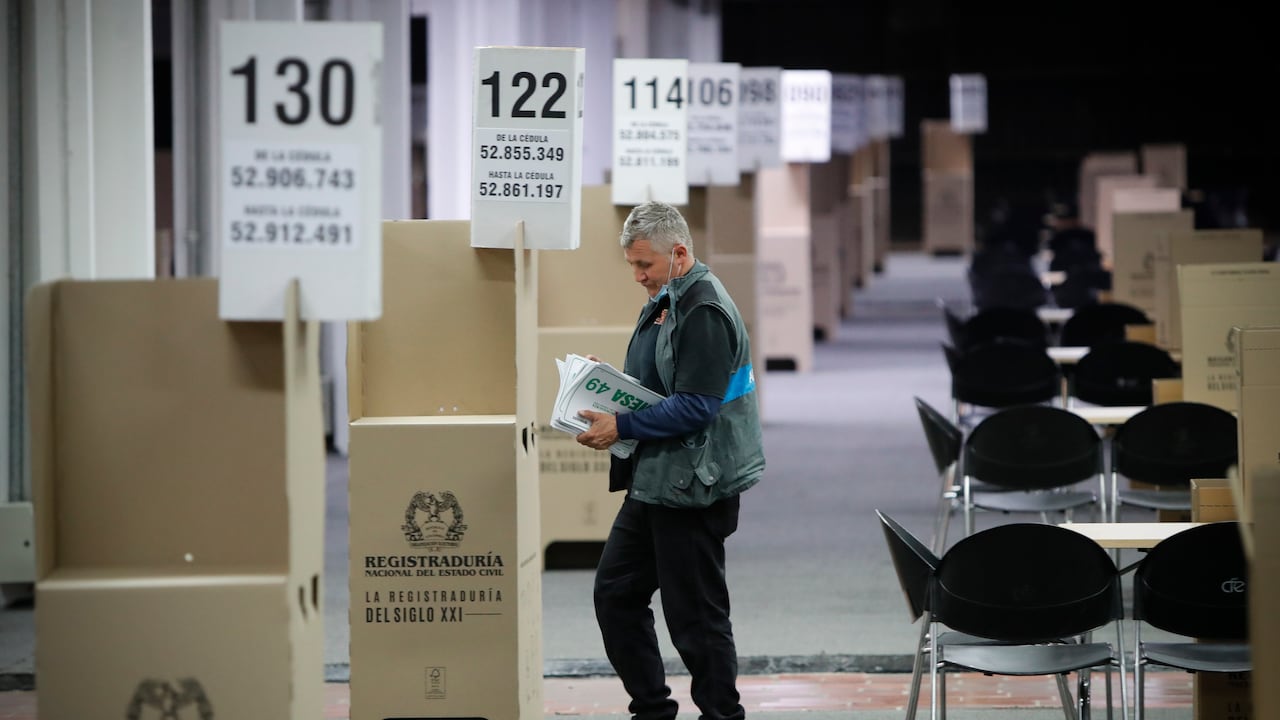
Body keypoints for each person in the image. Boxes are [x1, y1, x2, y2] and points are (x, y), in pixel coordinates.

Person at [575, 201, 765, 720]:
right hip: (658, 480)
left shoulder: (702, 308)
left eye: (645, 266)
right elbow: (665, 383)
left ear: (679, 253)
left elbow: (698, 406)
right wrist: (608, 384)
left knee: (696, 619)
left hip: (693, 489)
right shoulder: (669, 296)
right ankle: (653, 709)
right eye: (633, 266)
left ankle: (722, 715)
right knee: (615, 595)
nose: (637, 276)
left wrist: (623, 424)